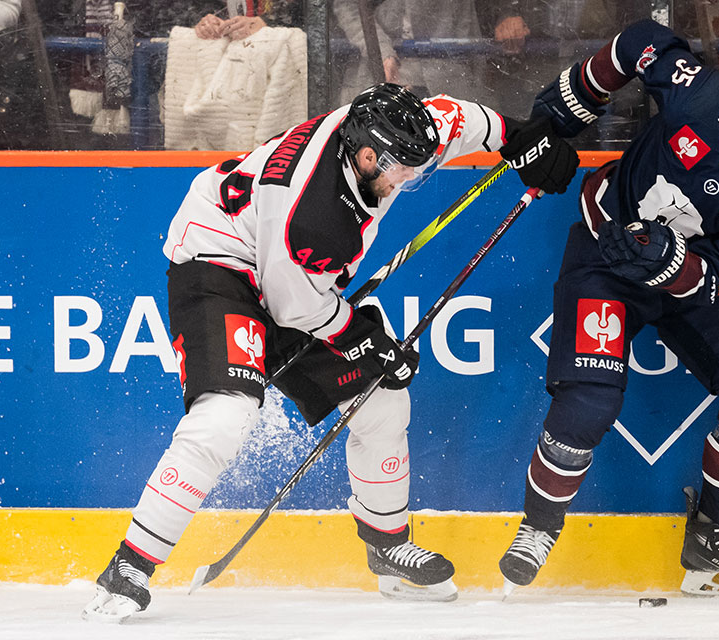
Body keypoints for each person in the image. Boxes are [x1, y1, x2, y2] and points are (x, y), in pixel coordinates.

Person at [81, 83, 578, 622]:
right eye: (400, 171)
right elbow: (297, 311)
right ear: (367, 157)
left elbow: (458, 119)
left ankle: (387, 547)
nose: (408, 179)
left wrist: (521, 139)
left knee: (382, 401)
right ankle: (130, 565)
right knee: (225, 416)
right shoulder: (314, 212)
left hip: (289, 273)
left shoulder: (393, 135)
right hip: (221, 263)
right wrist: (368, 343)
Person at [497, 19, 719, 598]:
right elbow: (639, 39)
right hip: (605, 253)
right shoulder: (704, 95)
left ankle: (714, 533)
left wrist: (669, 264)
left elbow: (714, 280)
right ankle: (537, 527)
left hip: (682, 282)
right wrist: (570, 103)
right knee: (590, 401)